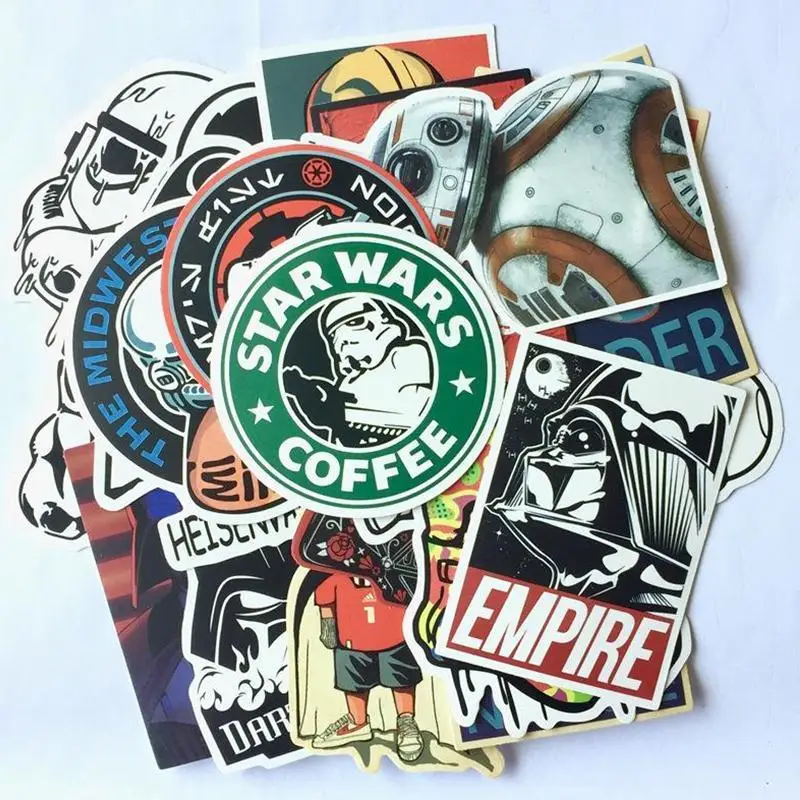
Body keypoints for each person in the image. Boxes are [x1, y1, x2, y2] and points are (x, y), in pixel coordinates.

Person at [312, 573, 424, 762]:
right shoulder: (335, 568)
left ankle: (406, 719)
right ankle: (357, 722)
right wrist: (327, 620)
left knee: (401, 678)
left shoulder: (396, 564)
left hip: (395, 632)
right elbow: (325, 586)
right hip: (352, 637)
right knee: (353, 680)